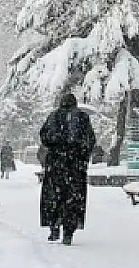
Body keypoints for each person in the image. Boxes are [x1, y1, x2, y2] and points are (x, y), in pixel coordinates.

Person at [38, 91, 96, 244]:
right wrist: (81, 156)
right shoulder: (83, 118)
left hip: (56, 165)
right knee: (72, 198)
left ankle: (54, 226)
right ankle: (68, 231)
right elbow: (90, 140)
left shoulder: (53, 117)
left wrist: (56, 146)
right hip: (75, 166)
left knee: (54, 197)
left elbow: (44, 137)